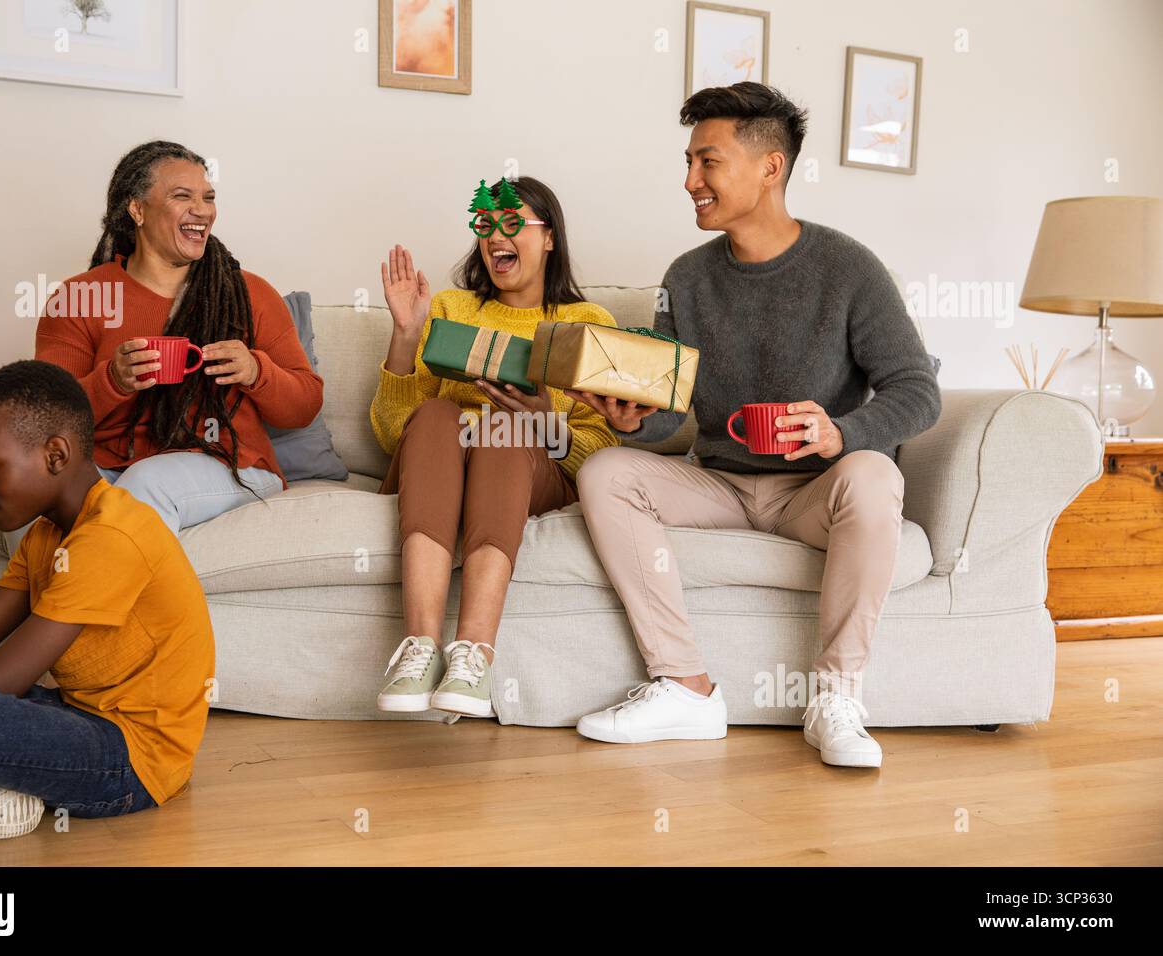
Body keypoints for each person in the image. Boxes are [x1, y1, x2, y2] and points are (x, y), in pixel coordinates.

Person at [570, 83, 941, 767]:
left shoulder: (850, 268)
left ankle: (836, 697)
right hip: (721, 486)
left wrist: (841, 433)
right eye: (688, 163)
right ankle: (685, 689)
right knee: (605, 470)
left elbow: (918, 391)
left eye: (707, 162)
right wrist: (630, 420)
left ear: (770, 167)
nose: (690, 182)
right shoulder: (684, 277)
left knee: (873, 472)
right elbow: (669, 417)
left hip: (814, 493)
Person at [0, 360, 214, 859]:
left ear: (55, 455)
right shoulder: (48, 535)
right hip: (66, 715)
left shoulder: (112, 535)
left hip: (131, 761)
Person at [371, 177, 619, 719]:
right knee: (439, 411)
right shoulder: (450, 308)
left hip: (526, 474)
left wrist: (546, 422)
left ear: (549, 238)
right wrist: (408, 336)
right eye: (485, 225)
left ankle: (475, 655)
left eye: (513, 224)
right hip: (436, 470)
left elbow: (602, 450)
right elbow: (394, 434)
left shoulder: (588, 323)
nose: (495, 237)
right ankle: (418, 649)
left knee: (504, 430)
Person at [36, 140, 324, 535]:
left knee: (145, 485)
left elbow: (304, 406)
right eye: (182, 196)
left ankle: (81, 596)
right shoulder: (78, 299)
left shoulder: (248, 293)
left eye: (208, 197)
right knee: (37, 484)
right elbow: (47, 420)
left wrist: (257, 371)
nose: (202, 210)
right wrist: (113, 381)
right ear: (137, 209)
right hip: (109, 465)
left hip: (228, 465)